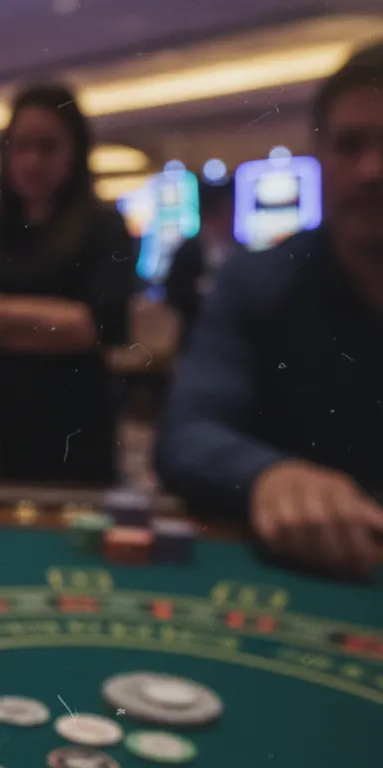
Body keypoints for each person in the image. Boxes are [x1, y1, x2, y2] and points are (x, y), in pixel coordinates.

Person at [156, 43, 383, 580]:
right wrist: (271, 475)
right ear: (320, 157)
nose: (373, 170)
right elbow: (186, 433)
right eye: (351, 145)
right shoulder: (255, 279)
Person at [0, 83, 136, 484]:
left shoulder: (105, 229)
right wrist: (41, 323)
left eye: (47, 146)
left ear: (75, 152)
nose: (31, 160)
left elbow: (86, 327)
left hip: (72, 431)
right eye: (20, 145)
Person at [163, 181, 239, 349]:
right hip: (196, 333)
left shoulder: (238, 249)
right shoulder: (189, 249)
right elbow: (172, 292)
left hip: (232, 334)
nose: (230, 217)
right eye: (225, 212)